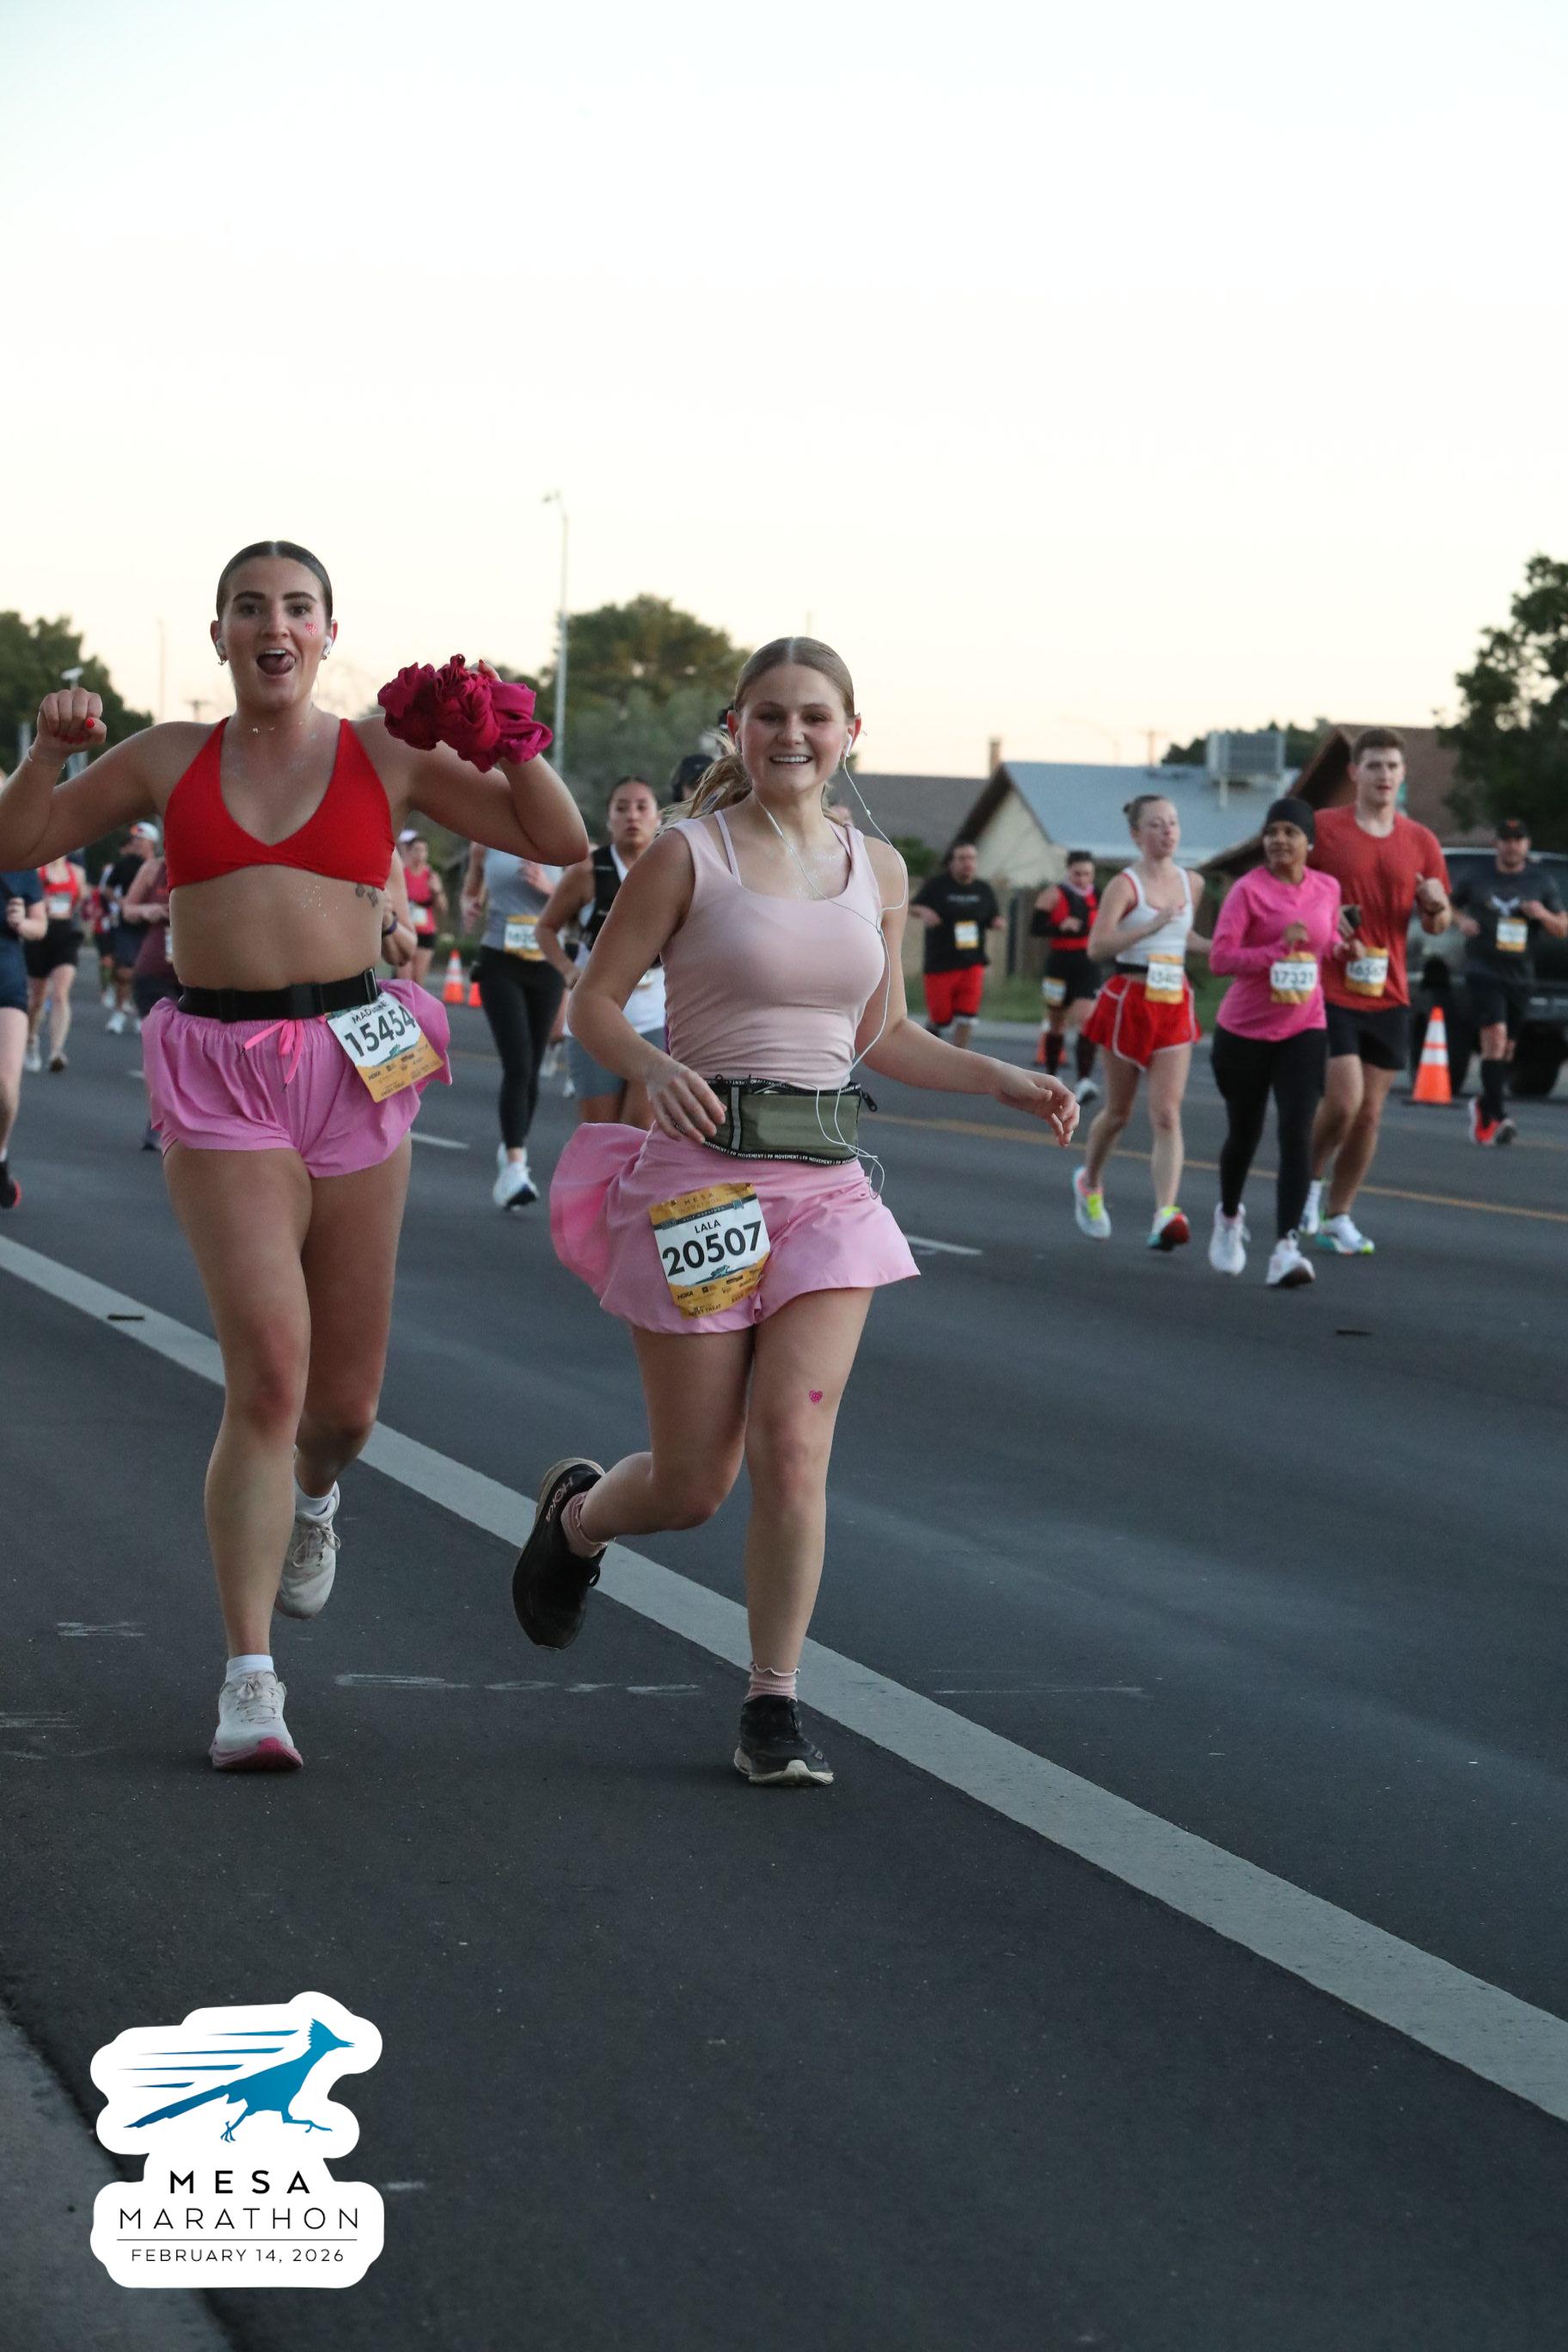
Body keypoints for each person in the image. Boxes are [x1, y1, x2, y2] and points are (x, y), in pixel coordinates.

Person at [0, 540, 586, 1771]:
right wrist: (46, 751)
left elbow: (559, 839)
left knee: (346, 1407)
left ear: (328, 632)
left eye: (298, 607)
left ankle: (318, 1496)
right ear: (221, 634)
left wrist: (506, 736)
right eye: (251, 608)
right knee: (268, 1375)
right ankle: (249, 1678)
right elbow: (19, 840)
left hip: (358, 1057)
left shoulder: (386, 754)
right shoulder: (170, 756)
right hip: (222, 1073)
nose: (275, 625)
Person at [519, 637, 1078, 1788]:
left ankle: (771, 1703)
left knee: (794, 1444)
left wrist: (1004, 1079)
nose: (791, 734)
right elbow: (596, 1003)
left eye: (814, 716)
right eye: (768, 714)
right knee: (693, 1484)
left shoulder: (879, 868)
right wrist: (652, 1064)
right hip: (702, 1185)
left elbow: (886, 1033)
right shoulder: (689, 854)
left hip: (825, 1186)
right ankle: (579, 1519)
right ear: (737, 727)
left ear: (849, 733)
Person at [1299, 729, 1451, 1253]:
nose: (1384, 775)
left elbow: (1437, 925)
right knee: (1344, 1101)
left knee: (1369, 1115)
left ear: (1402, 775)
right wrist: (1324, 915)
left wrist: (1435, 905)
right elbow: (1289, 889)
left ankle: (1339, 1214)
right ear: (1354, 773)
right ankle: (1305, 1187)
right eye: (1374, 766)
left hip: (1389, 990)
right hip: (1330, 986)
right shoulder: (1324, 829)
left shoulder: (1421, 841)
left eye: (1392, 766)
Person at [1205, 799, 1341, 1288]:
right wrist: (1277, 950)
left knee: (1297, 1133)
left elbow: (1324, 944)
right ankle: (1228, 1217)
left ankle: (1286, 1248)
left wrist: (1343, 947)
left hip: (1305, 1027)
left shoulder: (1328, 888)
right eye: (1272, 832)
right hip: (1244, 1032)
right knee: (1245, 1134)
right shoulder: (1248, 891)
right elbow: (1220, 959)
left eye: (1290, 832)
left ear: (1310, 842)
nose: (1279, 840)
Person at [1073, 794, 1208, 1250]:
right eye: (1156, 824)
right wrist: (1149, 928)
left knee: (1167, 1113)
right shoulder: (1124, 885)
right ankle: (1090, 1183)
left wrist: (1227, 950)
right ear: (1136, 834)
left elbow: (1185, 937)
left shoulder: (1192, 882)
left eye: (1173, 822)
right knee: (1118, 1113)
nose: (1168, 831)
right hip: (1129, 998)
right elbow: (1097, 947)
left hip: (1173, 999)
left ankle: (1165, 1213)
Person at [536, 777, 666, 1129]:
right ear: (609, 819)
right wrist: (568, 970)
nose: (632, 816)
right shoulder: (587, 872)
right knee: (602, 1131)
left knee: (640, 1130)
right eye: (621, 808)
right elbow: (545, 928)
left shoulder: (673, 868)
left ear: (658, 817)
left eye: (642, 807)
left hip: (654, 1016)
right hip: (596, 1017)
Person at [461, 842, 566, 1208]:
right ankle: (516, 1166)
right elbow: (471, 890)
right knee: (518, 1063)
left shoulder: (560, 841)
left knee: (532, 1066)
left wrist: (550, 890)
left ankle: (512, 1146)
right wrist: (468, 905)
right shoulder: (484, 844)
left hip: (547, 964)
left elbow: (583, 909)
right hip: (499, 961)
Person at [1451, 818, 1566, 1145]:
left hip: (1520, 975)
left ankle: (1484, 1105)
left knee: (1507, 1049)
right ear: (1496, 844)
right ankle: (1499, 1116)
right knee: (1496, 1038)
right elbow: (1448, 904)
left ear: (1527, 845)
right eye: (1506, 839)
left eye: (1518, 840)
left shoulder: (1540, 881)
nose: (1512, 846)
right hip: (1484, 970)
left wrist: (1542, 915)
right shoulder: (1477, 876)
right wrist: (1462, 921)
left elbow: (1562, 927)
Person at [910, 842, 1005, 1049]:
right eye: (962, 858)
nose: (967, 863)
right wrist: (924, 911)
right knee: (940, 1017)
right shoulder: (937, 886)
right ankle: (930, 1051)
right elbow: (912, 906)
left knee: (967, 1016)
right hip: (941, 962)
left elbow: (993, 916)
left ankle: (960, 1056)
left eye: (971, 858)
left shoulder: (983, 889)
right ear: (952, 862)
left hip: (972, 962)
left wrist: (997, 922)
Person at [1031, 851, 1100, 1099]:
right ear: (1068, 871)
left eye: (1087, 874)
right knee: (1057, 1021)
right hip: (1059, 964)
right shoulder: (1053, 895)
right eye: (1077, 874)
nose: (1082, 879)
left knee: (1086, 1019)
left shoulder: (1099, 895)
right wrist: (1059, 926)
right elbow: (1035, 928)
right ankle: (1052, 1076)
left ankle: (1084, 1080)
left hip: (1087, 963)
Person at [1, 863, 47, 1209]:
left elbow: (39, 925)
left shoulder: (20, 866)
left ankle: (0, 1154)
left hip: (7, 986)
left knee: (5, 1089)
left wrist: (22, 923)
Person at [23, 854, 88, 1072]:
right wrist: (43, 903)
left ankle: (56, 1051)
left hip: (65, 935)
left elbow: (80, 902)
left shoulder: (77, 873)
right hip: (40, 935)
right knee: (37, 999)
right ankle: (31, 1039)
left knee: (60, 993)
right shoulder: (37, 871)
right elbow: (27, 899)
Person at [101, 822, 160, 1032]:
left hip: (153, 927)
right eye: (135, 840)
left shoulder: (159, 867)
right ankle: (119, 1012)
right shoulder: (124, 864)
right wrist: (121, 902)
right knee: (125, 971)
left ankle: (141, 1013)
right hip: (128, 925)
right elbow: (107, 889)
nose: (136, 843)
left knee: (146, 974)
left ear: (152, 843)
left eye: (141, 840)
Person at [397, 827, 448, 989]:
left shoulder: (431, 876)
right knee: (404, 978)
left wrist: (437, 891)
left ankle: (415, 1007)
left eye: (424, 850)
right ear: (409, 851)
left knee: (418, 980)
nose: (420, 854)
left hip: (425, 932)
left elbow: (443, 908)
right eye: (417, 850)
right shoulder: (401, 873)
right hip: (405, 929)